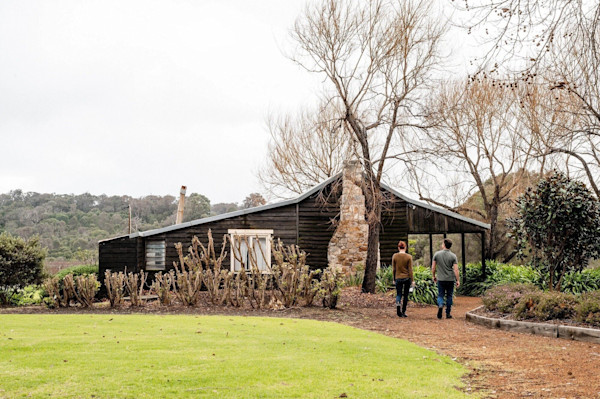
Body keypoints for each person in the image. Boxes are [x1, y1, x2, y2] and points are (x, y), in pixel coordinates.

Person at [431, 238, 460, 319]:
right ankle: (448, 313)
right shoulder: (453, 256)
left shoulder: (437, 254)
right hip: (450, 279)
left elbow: (433, 267)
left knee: (440, 295)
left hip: (440, 279)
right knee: (449, 296)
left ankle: (440, 305)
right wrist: (458, 280)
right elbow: (456, 269)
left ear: (444, 244)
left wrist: (434, 276)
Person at [392, 241, 414, 318]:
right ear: (405, 247)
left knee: (399, 294)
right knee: (406, 295)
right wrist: (412, 280)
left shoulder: (395, 256)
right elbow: (410, 269)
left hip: (398, 277)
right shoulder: (409, 257)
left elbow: (394, 269)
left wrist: (393, 278)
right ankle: (403, 311)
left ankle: (398, 306)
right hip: (407, 278)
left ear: (398, 247)